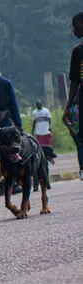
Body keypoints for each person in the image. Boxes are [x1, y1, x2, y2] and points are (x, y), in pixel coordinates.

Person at [63, 11, 83, 181]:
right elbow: (75, 82)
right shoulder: (77, 52)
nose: (74, 31)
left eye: (76, 28)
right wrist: (68, 108)